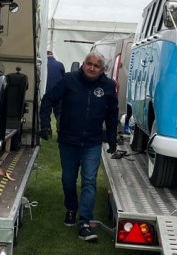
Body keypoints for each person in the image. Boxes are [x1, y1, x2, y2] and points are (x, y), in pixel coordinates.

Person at [39, 50, 118, 242]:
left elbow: (112, 114)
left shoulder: (108, 86)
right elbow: (48, 99)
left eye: (96, 66)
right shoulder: (69, 80)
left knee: (89, 181)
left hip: (92, 142)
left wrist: (112, 139)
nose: (91, 68)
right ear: (83, 64)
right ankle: (71, 208)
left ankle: (84, 222)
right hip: (69, 141)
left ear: (103, 69)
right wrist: (45, 124)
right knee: (68, 179)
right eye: (89, 64)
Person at [45, 49, 65, 128]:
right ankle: (60, 129)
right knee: (59, 113)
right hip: (58, 93)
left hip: (47, 93)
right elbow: (63, 77)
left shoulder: (44, 64)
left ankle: (46, 129)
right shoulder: (60, 65)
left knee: (46, 112)